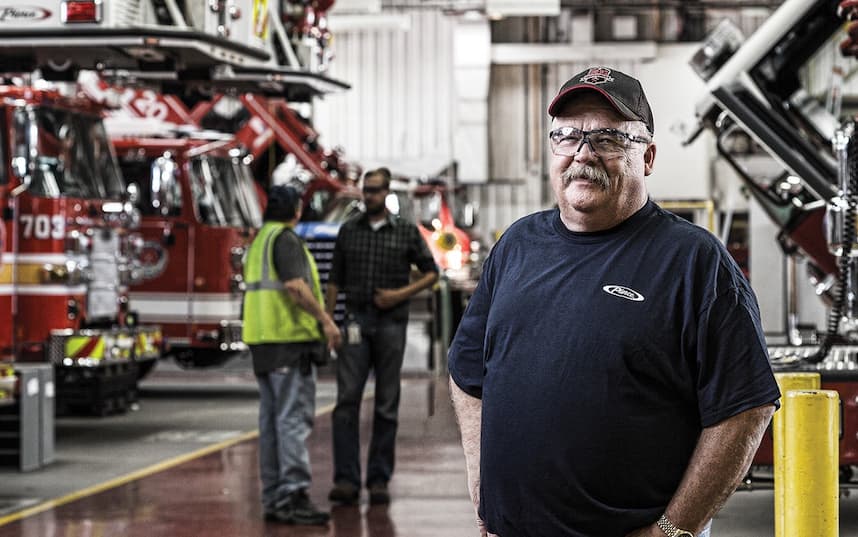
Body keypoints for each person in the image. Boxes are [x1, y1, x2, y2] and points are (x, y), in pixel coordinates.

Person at [448, 66, 781, 537]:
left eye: (607, 139)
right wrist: (483, 483)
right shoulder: (517, 246)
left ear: (646, 156)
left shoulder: (694, 262)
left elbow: (746, 407)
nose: (583, 154)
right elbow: (467, 374)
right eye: (567, 136)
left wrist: (672, 530)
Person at [326, 167, 439, 505]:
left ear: (385, 192)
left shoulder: (405, 232)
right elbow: (334, 279)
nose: (368, 196)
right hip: (356, 323)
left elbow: (431, 273)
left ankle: (378, 481)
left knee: (387, 405)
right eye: (365, 190)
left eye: (374, 190)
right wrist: (331, 322)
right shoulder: (349, 231)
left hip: (391, 324)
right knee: (346, 402)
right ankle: (346, 480)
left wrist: (398, 295)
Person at [242, 184, 342, 525]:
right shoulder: (285, 240)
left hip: (263, 341)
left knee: (271, 422)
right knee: (292, 421)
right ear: (296, 211)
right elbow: (296, 287)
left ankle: (274, 497)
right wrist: (326, 321)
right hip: (288, 341)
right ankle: (294, 494)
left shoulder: (260, 240)